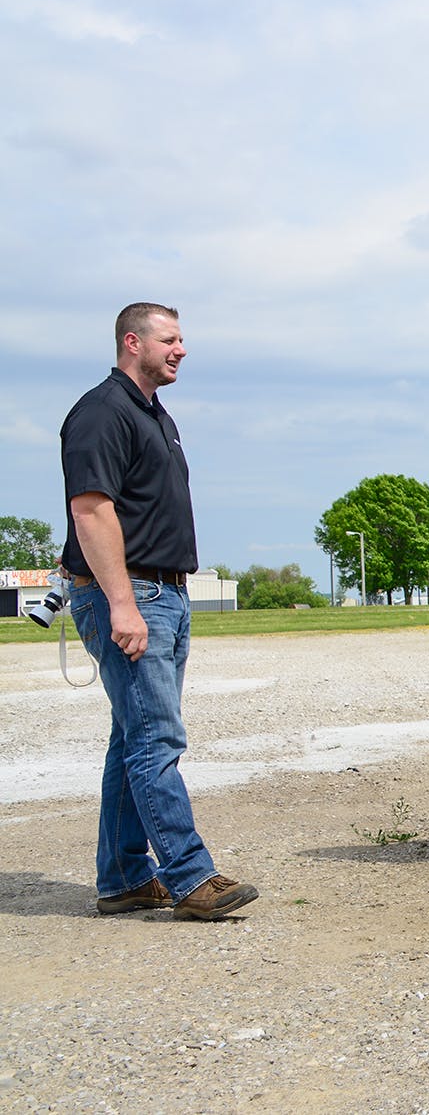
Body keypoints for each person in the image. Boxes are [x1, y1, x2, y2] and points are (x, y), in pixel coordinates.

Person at [60, 303, 258, 921]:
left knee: (133, 737)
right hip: (131, 594)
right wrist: (122, 603)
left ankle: (121, 878)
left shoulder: (153, 414)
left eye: (180, 339)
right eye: (170, 339)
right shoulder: (102, 411)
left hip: (163, 592)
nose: (181, 349)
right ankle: (189, 875)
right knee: (156, 738)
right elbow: (91, 510)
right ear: (132, 342)